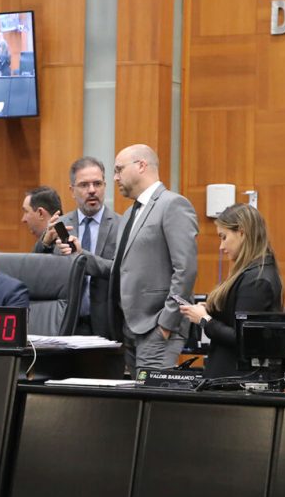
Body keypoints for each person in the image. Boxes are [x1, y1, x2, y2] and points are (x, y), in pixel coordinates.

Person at [61, 144, 198, 375]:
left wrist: (165, 324)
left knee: (153, 401)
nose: (115, 178)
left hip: (157, 328)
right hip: (129, 330)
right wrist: (80, 255)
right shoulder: (129, 215)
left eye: (119, 170)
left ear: (141, 166)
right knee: (137, 402)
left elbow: (185, 270)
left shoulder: (173, 205)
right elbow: (118, 269)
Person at [179, 204, 283, 378]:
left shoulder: (257, 280)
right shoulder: (253, 273)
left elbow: (242, 337)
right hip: (231, 377)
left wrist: (204, 319)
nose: (221, 246)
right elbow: (237, 318)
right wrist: (214, 310)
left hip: (237, 381)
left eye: (224, 237)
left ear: (241, 233)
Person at [36, 157, 121, 337]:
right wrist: (45, 243)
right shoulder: (61, 225)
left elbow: (120, 271)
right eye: (84, 185)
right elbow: (38, 272)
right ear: (72, 190)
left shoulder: (121, 225)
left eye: (97, 183)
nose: (92, 190)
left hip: (107, 327)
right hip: (66, 325)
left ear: (105, 186)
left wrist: (81, 255)